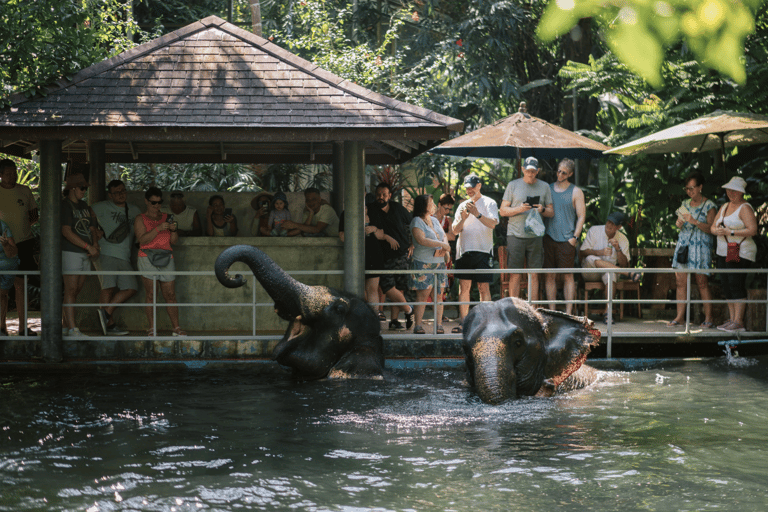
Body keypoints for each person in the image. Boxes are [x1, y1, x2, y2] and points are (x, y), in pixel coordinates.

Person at [499, 156, 554, 302]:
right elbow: (503, 211)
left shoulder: (544, 186)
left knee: (534, 273)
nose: (530, 174)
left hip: (535, 235)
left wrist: (542, 209)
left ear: (538, 171)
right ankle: (513, 309)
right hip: (515, 235)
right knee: (515, 273)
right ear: (523, 169)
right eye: (528, 171)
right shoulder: (513, 185)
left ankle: (532, 309)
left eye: (533, 171)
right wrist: (519, 209)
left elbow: (551, 212)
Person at [91, 179, 142, 335]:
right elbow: (86, 214)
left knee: (131, 287)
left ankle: (105, 314)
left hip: (124, 256)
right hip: (106, 252)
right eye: (117, 192)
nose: (121, 194)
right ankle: (109, 326)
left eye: (123, 191)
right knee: (108, 288)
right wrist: (94, 230)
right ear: (110, 195)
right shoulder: (101, 206)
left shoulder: (134, 210)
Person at [135, 187, 186, 337]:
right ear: (146, 201)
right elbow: (142, 240)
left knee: (170, 294)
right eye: (153, 203)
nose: (157, 206)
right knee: (151, 294)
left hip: (166, 256)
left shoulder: (167, 216)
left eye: (159, 202)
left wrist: (174, 230)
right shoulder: (140, 218)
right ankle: (152, 328)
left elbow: (175, 242)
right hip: (147, 256)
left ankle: (176, 328)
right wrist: (158, 229)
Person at [668, 172, 716, 328]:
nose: (689, 192)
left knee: (702, 282)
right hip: (684, 245)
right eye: (687, 189)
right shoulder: (685, 203)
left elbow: (712, 229)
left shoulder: (709, 205)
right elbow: (678, 223)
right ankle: (680, 317)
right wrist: (679, 223)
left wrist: (694, 221)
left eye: (692, 188)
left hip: (701, 246)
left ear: (700, 187)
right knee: (680, 282)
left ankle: (709, 317)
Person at [451, 174, 499, 332]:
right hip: (464, 251)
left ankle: (486, 324)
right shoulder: (462, 205)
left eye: (472, 186)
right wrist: (463, 218)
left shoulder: (489, 202)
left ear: (479, 185)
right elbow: (455, 230)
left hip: (484, 250)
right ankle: (464, 322)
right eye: (467, 187)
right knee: (463, 287)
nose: (469, 190)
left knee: (483, 287)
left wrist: (477, 213)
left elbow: (493, 224)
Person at [711, 176, 757, 333]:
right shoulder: (724, 206)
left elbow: (752, 230)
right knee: (726, 285)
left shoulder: (745, 208)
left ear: (741, 192)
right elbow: (712, 227)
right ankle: (732, 319)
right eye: (729, 190)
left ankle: (739, 321)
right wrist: (716, 230)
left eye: (735, 191)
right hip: (723, 251)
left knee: (735, 284)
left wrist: (730, 231)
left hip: (741, 250)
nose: (731, 193)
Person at [0, 158, 40, 336]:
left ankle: (23, 328)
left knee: (21, 285)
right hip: (2, 245)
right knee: (2, 287)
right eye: (8, 173)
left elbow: (33, 216)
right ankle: (1, 327)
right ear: (0, 175)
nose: (12, 176)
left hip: (24, 242)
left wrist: (19, 230)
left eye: (14, 172)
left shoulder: (24, 191)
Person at [579, 211, 641, 324]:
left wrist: (618, 249)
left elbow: (624, 264)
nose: (609, 225)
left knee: (610, 274)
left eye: (613, 223)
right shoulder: (594, 230)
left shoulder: (623, 239)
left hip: (607, 272)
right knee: (590, 258)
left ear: (619, 227)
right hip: (590, 272)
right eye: (608, 221)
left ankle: (608, 312)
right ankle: (627, 274)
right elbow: (582, 252)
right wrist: (599, 252)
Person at [368, 182, 414, 330]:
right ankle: (408, 310)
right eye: (378, 194)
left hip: (402, 254)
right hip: (382, 255)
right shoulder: (371, 209)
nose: (381, 197)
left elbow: (413, 224)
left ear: (389, 195)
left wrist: (413, 244)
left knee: (399, 288)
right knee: (387, 287)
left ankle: (394, 321)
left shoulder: (398, 208)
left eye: (384, 194)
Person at [61, 173, 101, 337]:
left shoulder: (84, 205)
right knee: (70, 289)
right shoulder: (64, 206)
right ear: (72, 188)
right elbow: (66, 231)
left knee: (76, 290)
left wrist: (95, 245)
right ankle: (72, 328)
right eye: (82, 188)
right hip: (71, 252)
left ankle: (66, 326)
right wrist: (87, 246)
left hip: (86, 252)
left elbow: (92, 228)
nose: (84, 191)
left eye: (85, 188)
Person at [544, 158, 586, 315]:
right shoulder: (548, 188)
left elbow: (581, 216)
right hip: (549, 237)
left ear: (570, 174)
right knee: (549, 275)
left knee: (568, 276)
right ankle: (552, 312)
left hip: (567, 239)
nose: (560, 174)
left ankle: (568, 313)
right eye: (558, 171)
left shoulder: (576, 191)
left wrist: (575, 237)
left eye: (564, 173)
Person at [409, 194, 451, 334]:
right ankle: (418, 325)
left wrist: (446, 250)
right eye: (431, 203)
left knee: (439, 294)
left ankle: (438, 325)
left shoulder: (434, 220)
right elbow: (421, 240)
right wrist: (441, 245)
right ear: (423, 206)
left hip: (439, 263)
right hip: (423, 263)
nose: (434, 205)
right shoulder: (416, 221)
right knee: (423, 294)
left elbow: (443, 236)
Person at [338, 202, 386, 307]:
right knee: (356, 289)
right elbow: (342, 237)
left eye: (365, 207)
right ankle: (360, 317)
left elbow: (381, 235)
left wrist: (374, 229)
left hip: (373, 254)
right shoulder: (346, 214)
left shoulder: (373, 213)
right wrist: (360, 226)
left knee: (372, 289)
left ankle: (374, 318)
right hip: (355, 256)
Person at [0, 215, 20, 336]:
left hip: (6, 266)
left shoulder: (3, 227)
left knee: (1, 294)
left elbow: (12, 253)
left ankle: (2, 327)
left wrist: (6, 245)